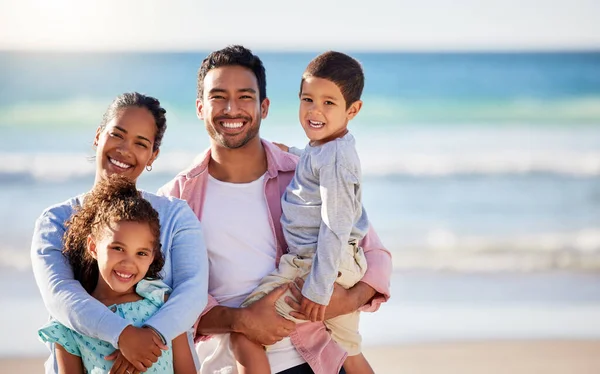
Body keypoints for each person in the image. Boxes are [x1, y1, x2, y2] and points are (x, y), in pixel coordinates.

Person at [158, 45, 392, 374]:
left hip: (318, 357)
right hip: (236, 364)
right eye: (218, 96)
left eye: (245, 97)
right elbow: (167, 299)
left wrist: (347, 300)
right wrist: (240, 321)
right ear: (200, 107)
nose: (231, 108)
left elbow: (374, 253)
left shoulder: (302, 170)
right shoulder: (176, 201)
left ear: (264, 107)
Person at [31, 92, 209, 374]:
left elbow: (193, 292)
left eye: (141, 143)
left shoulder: (175, 215)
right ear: (98, 136)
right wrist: (124, 335)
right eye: (117, 135)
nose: (125, 150)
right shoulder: (56, 220)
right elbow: (60, 295)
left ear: (153, 155)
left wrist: (150, 337)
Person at [230, 51, 373, 374]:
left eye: (328, 103)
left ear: (353, 110)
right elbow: (318, 166)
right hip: (336, 263)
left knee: (245, 329)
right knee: (348, 345)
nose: (315, 111)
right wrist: (291, 152)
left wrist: (317, 290)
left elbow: (335, 226)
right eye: (308, 99)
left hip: (316, 264)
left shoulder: (334, 158)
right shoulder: (326, 147)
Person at [38, 175, 197, 374]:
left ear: (152, 257)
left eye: (141, 253)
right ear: (93, 247)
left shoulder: (163, 305)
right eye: (118, 248)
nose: (128, 263)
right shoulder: (69, 328)